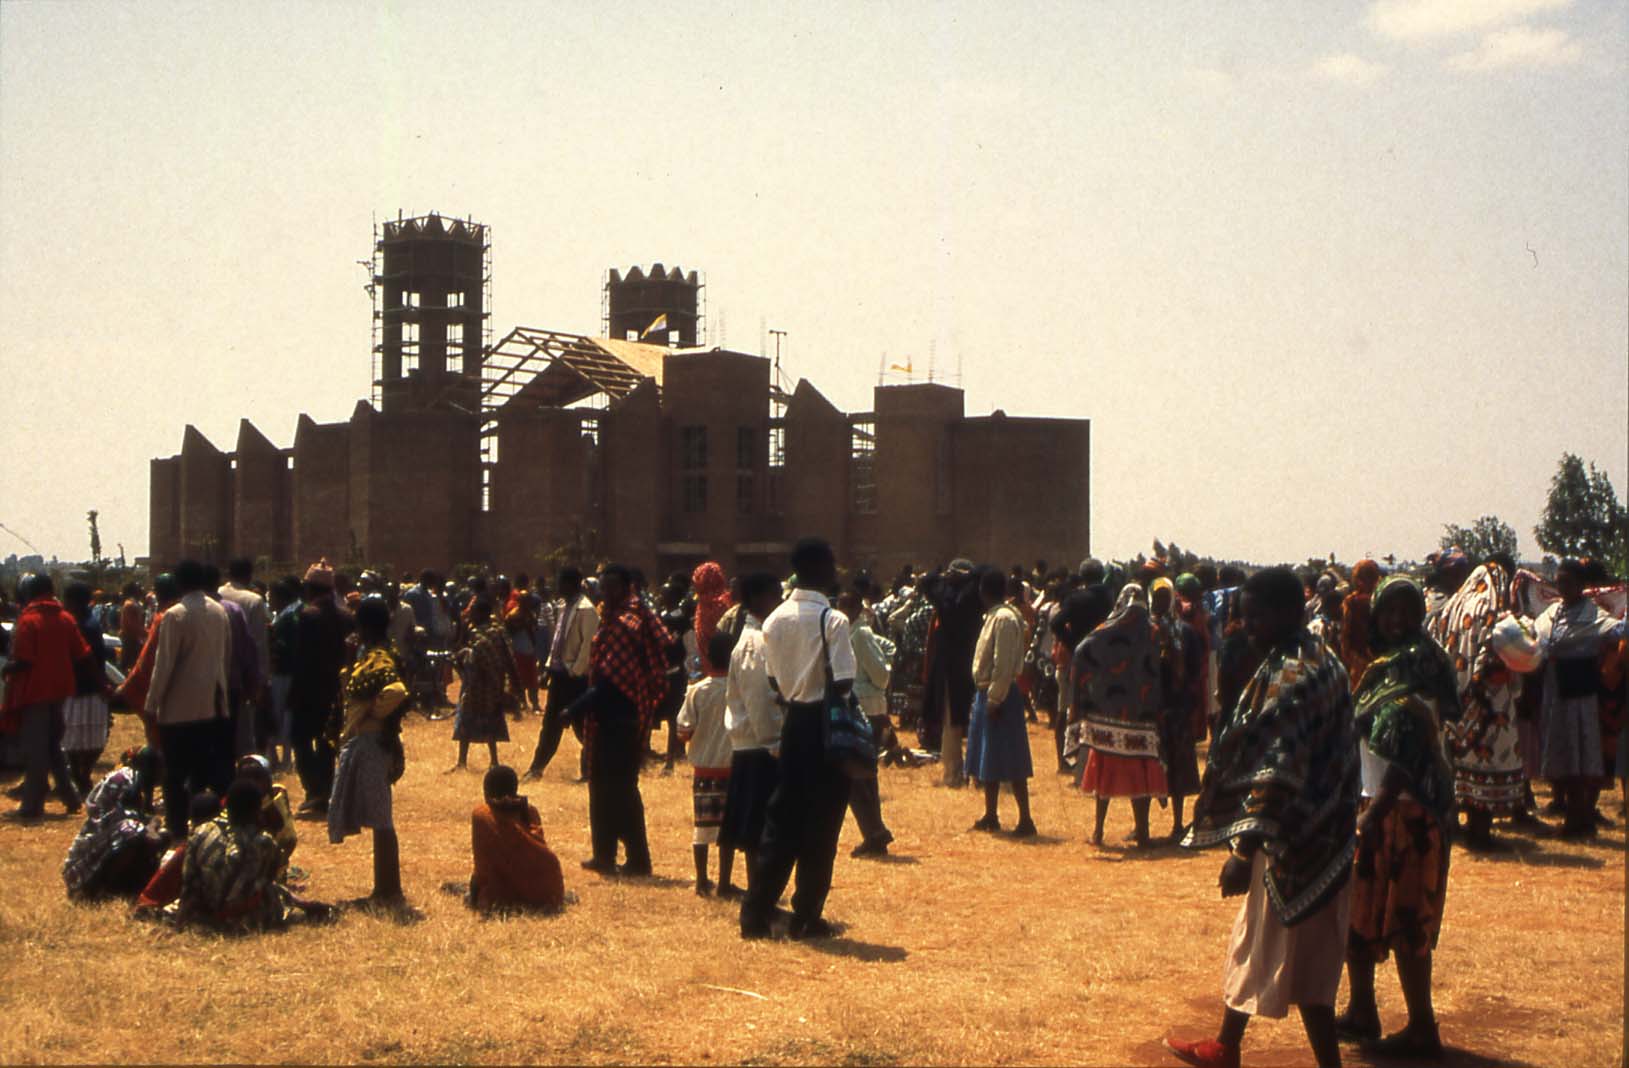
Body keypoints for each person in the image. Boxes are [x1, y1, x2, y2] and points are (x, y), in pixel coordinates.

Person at [1169, 567, 1359, 1068]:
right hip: (1329, 833)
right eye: (1243, 616)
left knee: (1288, 955)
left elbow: (1279, 770)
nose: (1247, 626)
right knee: (1277, 948)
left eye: (1257, 616)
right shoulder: (1323, 660)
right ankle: (1226, 1046)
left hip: (1293, 841)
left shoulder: (1291, 676)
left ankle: (1249, 1052)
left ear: (1291, 612)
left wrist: (1243, 850)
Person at [1336, 576, 1461, 1059]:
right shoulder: (1382, 668)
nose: (1396, 621)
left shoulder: (1421, 667)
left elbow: (1409, 751)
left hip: (1407, 813)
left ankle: (1422, 1026)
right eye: (1389, 611)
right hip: (1373, 805)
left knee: (1408, 920)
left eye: (1407, 612)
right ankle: (1362, 1009)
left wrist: (1377, 810)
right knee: (1359, 913)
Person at [740, 538, 855, 941]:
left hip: (793, 727)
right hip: (824, 728)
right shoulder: (833, 621)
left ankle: (754, 914)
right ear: (822, 569)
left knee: (782, 819)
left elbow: (774, 681)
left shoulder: (773, 621)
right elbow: (843, 681)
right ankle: (807, 914)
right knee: (822, 825)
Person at [573, 564, 671, 877]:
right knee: (606, 790)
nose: (606, 592)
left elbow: (610, 680)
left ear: (626, 587)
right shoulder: (619, 617)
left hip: (620, 719)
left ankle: (636, 859)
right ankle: (605, 853)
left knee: (620, 793)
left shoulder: (627, 623)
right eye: (603, 586)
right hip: (613, 717)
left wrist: (573, 708)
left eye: (612, 586)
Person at [1426, 561, 1523, 851]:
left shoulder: (1451, 607)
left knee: (1457, 765)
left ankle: (1455, 827)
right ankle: (1480, 833)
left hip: (1454, 703)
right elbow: (1492, 657)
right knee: (1487, 761)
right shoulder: (1491, 611)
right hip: (1486, 704)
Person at [328, 597, 412, 908]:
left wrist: (373, 714)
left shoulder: (378, 657)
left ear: (362, 625)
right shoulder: (374, 654)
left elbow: (397, 690)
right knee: (379, 817)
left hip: (371, 743)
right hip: (371, 742)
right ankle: (383, 888)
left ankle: (388, 890)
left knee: (382, 818)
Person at [1533, 558, 1623, 837]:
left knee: (1579, 755)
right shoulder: (1551, 614)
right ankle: (1576, 817)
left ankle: (1580, 819)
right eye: (1559, 582)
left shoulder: (1593, 616)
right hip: (1555, 692)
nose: (1562, 587)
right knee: (1561, 754)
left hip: (1579, 694)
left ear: (1582, 586)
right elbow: (1538, 636)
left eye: (1568, 582)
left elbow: (1618, 630)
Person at [145, 560, 233, 841]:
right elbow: (225, 657)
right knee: (202, 773)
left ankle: (177, 828)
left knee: (174, 774)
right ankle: (204, 829)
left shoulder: (175, 615)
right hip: (211, 704)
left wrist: (151, 704)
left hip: (178, 709)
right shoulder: (219, 611)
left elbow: (164, 665)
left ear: (179, 584)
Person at [1076, 584, 1168, 848]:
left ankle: (1098, 832)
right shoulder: (1152, 630)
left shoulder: (1107, 630)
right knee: (1141, 768)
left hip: (1109, 713)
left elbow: (1083, 650)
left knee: (1104, 770)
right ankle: (1143, 833)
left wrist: (1091, 685)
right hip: (1142, 714)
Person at [718, 572, 786, 902]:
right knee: (759, 825)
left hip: (752, 743)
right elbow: (760, 698)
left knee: (752, 824)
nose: (782, 601)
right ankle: (758, 893)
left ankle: (756, 889)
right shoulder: (756, 643)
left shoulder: (755, 638)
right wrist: (774, 743)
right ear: (759, 599)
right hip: (760, 745)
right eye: (777, 594)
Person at [2, 574, 92, 820]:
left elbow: (23, 660)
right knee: (54, 748)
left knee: (36, 751)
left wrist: (6, 669)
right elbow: (82, 653)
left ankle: (32, 805)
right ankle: (71, 797)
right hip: (60, 691)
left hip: (35, 693)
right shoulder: (65, 618)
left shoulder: (28, 620)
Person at [173, 778, 300, 931]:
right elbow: (270, 879)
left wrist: (181, 921)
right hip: (242, 919)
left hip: (202, 915)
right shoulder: (263, 842)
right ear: (256, 810)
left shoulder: (201, 832)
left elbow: (189, 881)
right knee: (275, 893)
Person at [965, 567, 1037, 837]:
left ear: (984, 592)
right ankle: (991, 814)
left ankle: (1025, 819)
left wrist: (995, 698)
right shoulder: (995, 616)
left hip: (1001, 694)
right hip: (989, 692)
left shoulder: (1004, 619)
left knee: (1012, 757)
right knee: (989, 757)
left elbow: (1003, 663)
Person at [288, 560, 353, 819]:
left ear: (310, 588)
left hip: (308, 688)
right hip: (336, 689)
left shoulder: (307, 616)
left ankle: (315, 792)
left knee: (301, 740)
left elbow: (301, 658)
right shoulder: (346, 617)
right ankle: (324, 793)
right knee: (327, 743)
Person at [677, 631, 738, 895]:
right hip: (733, 767)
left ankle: (702, 880)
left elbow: (683, 727)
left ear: (707, 658)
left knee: (703, 826)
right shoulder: (739, 690)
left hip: (704, 769)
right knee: (729, 829)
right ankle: (724, 882)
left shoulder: (697, 691)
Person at [61, 746, 165, 899]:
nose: (164, 773)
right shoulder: (122, 781)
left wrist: (152, 824)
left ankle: (130, 886)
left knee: (161, 835)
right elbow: (105, 819)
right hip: (89, 859)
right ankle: (100, 889)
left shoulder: (141, 784)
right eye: (161, 768)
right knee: (133, 832)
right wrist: (149, 825)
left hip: (113, 841)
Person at [525, 567, 599, 783]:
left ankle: (590, 770)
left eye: (561, 583)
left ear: (573, 584)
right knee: (551, 724)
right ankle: (536, 768)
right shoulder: (562, 606)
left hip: (575, 678)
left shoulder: (587, 610)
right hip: (558, 675)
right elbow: (557, 641)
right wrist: (548, 668)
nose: (558, 587)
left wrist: (575, 671)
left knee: (582, 725)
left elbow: (588, 646)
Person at [468, 764, 566, 913]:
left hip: (504, 897)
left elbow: (483, 870)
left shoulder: (482, 815)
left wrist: (474, 895)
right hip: (549, 890)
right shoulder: (530, 811)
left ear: (486, 792)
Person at [842, 591, 896, 855]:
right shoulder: (850, 634)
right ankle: (874, 832)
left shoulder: (861, 635)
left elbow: (881, 674)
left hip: (867, 709)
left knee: (856, 775)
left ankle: (874, 831)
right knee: (862, 776)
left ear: (854, 607)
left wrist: (862, 688)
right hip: (859, 709)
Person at [926, 560, 983, 787]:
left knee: (951, 724)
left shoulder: (943, 598)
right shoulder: (974, 598)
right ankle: (978, 774)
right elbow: (985, 571)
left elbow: (927, 581)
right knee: (976, 720)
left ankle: (953, 775)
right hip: (974, 663)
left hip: (949, 667)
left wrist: (941, 572)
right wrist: (968, 574)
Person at [1152, 576, 1200, 842]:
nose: (1159, 602)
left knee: (1179, 766)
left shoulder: (1186, 632)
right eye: (1156, 596)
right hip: (1153, 708)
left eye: (1163, 597)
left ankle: (1178, 823)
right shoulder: (1146, 629)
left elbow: (1194, 671)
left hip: (1177, 707)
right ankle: (1143, 826)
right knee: (1150, 764)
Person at [450, 597, 519, 771]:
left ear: (481, 613)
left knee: (473, 719)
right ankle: (483, 761)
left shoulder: (481, 634)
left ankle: (467, 762)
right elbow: (509, 657)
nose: (470, 614)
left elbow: (476, 655)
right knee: (487, 720)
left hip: (479, 684)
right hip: (490, 683)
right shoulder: (498, 631)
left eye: (473, 611)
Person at [60, 581, 113, 796]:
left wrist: (101, 684)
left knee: (86, 736)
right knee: (81, 735)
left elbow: (88, 659)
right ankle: (79, 774)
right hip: (81, 686)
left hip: (85, 686)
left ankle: (81, 774)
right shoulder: (86, 623)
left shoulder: (85, 626)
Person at [219, 558, 272, 759]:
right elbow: (258, 644)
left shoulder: (218, 595)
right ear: (249, 576)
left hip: (217, 673)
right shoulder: (253, 601)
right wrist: (261, 679)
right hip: (241, 675)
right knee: (243, 728)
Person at [504, 574, 542, 713]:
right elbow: (508, 631)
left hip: (530, 650)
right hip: (517, 649)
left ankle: (535, 704)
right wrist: (522, 624)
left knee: (533, 679)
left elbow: (534, 628)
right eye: (525, 601)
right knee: (519, 679)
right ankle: (521, 703)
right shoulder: (513, 615)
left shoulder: (530, 614)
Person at [117, 583, 147, 673]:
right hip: (130, 640)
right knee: (130, 667)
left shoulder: (133, 604)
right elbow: (134, 626)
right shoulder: (130, 605)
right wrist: (149, 633)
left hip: (132, 639)